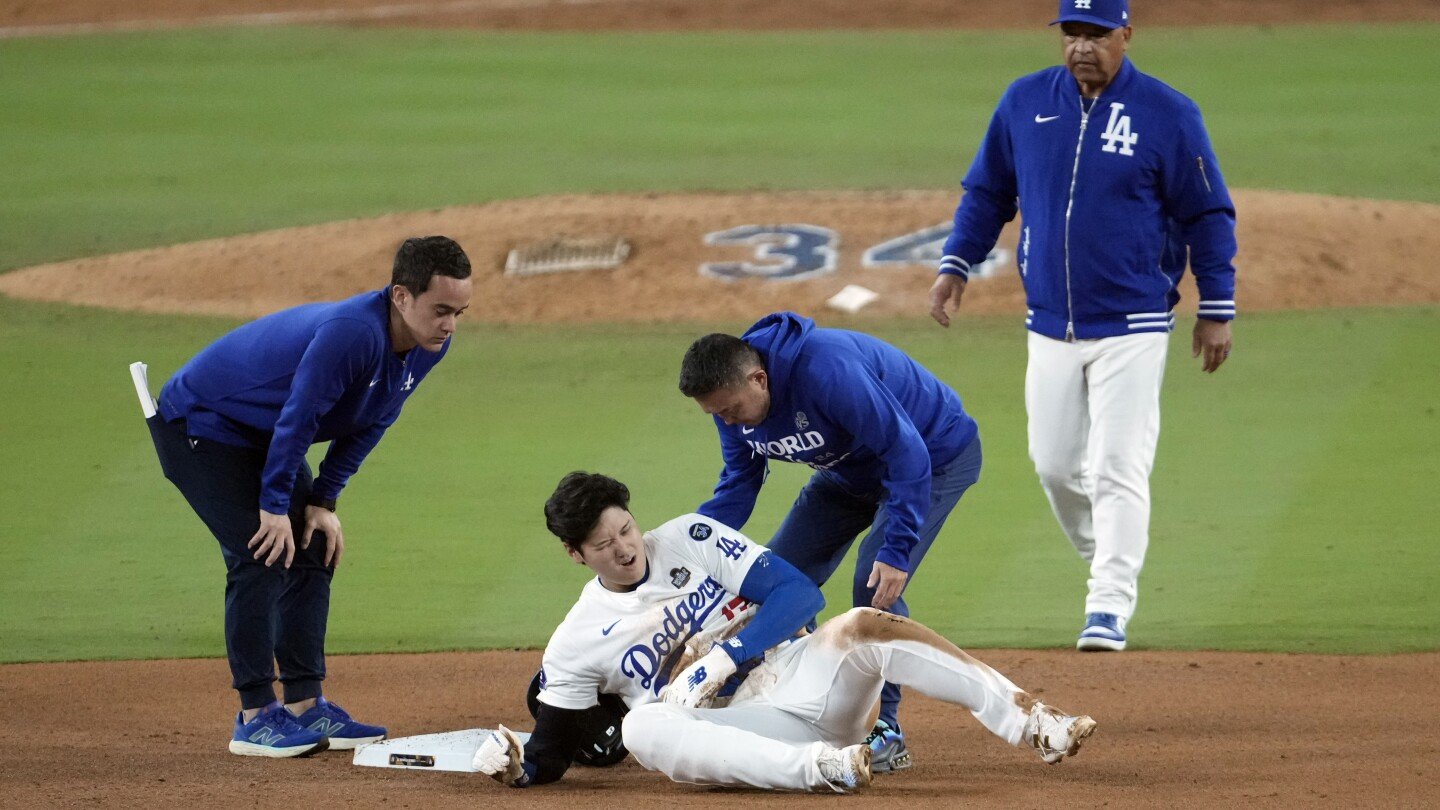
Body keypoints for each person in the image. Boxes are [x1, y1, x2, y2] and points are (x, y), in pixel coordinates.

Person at [927, 0, 1238, 652]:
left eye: (1096, 34)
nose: (1081, 46)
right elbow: (988, 192)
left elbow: (1208, 214)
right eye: (1072, 33)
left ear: (1126, 34)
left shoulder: (1168, 113)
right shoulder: (1025, 102)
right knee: (1055, 465)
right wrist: (957, 262)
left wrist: (1216, 306)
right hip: (1048, 323)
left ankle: (1109, 604)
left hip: (1134, 323)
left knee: (1118, 466)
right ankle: (1114, 553)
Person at [471, 472, 1096, 792]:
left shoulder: (688, 537)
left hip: (800, 680)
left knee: (862, 625)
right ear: (576, 555)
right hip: (731, 730)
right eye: (604, 545)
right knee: (642, 728)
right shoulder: (577, 641)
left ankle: (1033, 722)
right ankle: (824, 770)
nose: (625, 548)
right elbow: (551, 749)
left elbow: (800, 593)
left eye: (626, 529)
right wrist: (518, 768)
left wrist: (722, 657)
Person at [147, 236, 474, 756]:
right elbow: (299, 418)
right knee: (262, 550)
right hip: (201, 422)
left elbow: (376, 419)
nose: (450, 325)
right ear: (400, 296)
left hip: (262, 433)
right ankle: (255, 716)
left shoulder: (427, 344)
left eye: (459, 313)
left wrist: (323, 501)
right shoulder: (353, 334)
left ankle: (305, 704)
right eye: (440, 310)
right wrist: (274, 506)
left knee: (314, 543)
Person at [676, 311, 983, 771]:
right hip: (847, 473)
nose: (726, 420)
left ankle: (886, 728)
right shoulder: (731, 399)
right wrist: (687, 544)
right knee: (775, 583)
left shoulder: (827, 370)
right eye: (716, 414)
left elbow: (906, 452)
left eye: (730, 410)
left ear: (759, 379)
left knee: (872, 583)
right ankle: (810, 699)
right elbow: (739, 483)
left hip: (933, 457)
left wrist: (897, 548)